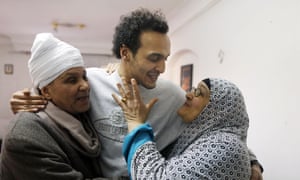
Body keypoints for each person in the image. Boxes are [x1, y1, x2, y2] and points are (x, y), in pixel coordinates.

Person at [8, 8, 263, 179]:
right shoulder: (91, 82)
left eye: (165, 58)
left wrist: (251, 162)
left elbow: (215, 124)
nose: (162, 68)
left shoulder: (173, 95)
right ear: (125, 53)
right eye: (154, 58)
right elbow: (53, 92)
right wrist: (26, 97)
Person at [1, 33, 102, 179]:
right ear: (46, 91)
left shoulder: (78, 111)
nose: (85, 86)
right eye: (72, 80)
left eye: (84, 76)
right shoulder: (23, 137)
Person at [113, 77, 252, 179]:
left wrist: (135, 122)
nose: (188, 95)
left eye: (199, 93)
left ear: (217, 111)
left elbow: (155, 177)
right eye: (193, 89)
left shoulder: (226, 147)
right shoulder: (204, 134)